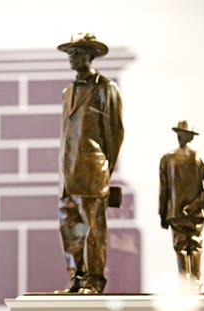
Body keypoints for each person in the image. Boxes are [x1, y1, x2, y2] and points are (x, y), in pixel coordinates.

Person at [56, 33, 125, 294]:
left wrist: (105, 170)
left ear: (91, 55)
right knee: (70, 229)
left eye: (78, 52)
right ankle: (76, 277)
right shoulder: (68, 92)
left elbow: (115, 133)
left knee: (94, 229)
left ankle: (95, 280)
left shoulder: (107, 88)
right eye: (70, 53)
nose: (73, 57)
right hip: (67, 174)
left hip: (93, 171)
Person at [159, 120, 204, 289]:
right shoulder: (201, 158)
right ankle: (196, 283)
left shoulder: (167, 159)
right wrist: (195, 205)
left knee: (181, 247)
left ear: (178, 135)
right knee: (195, 246)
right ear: (191, 137)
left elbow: (164, 190)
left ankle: (185, 285)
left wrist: (163, 213)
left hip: (175, 213)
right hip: (195, 213)